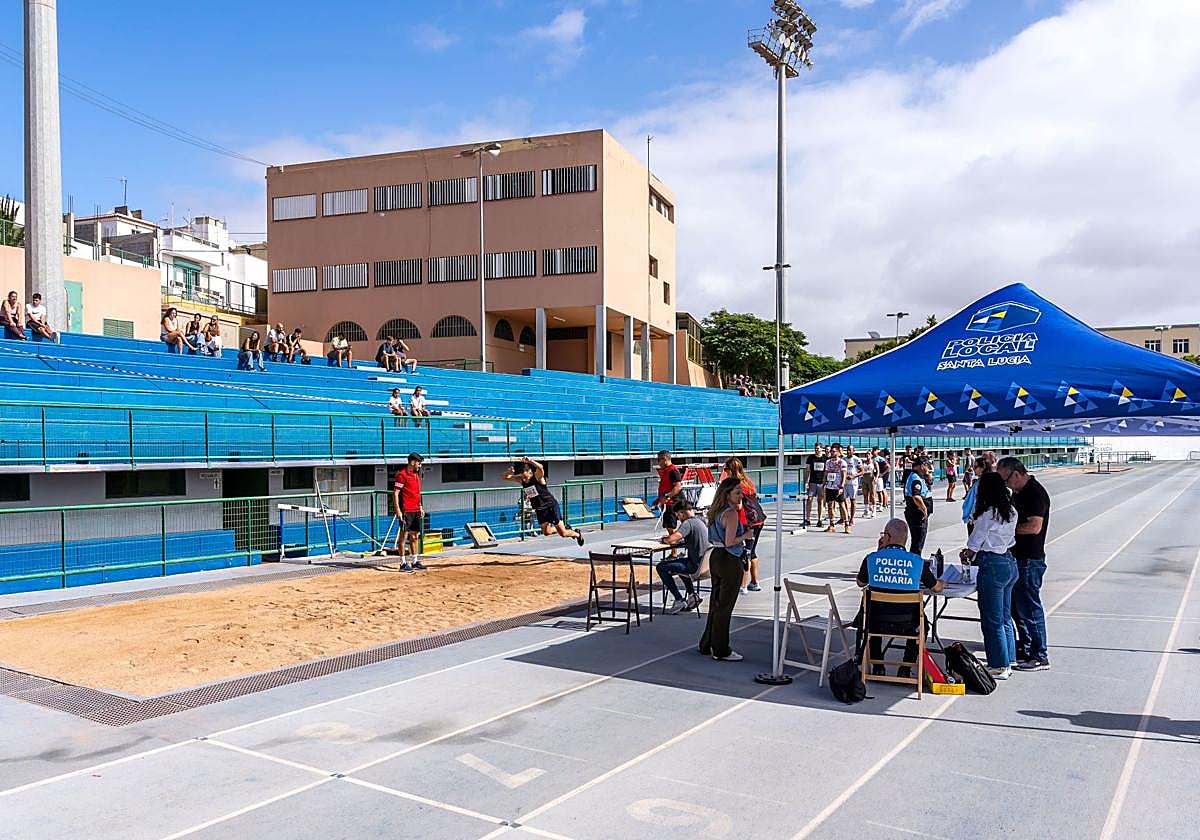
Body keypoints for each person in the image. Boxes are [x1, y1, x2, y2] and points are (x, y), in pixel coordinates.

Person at [856, 518, 944, 678]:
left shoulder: (871, 559)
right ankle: (905, 667)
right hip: (908, 624)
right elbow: (936, 587)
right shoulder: (917, 561)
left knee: (871, 618)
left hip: (877, 623)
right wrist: (943, 583)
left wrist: (879, 552)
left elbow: (860, 582)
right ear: (905, 539)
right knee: (922, 624)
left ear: (887, 536)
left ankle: (878, 666)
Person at [960, 471, 1018, 679]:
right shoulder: (1011, 511)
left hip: (991, 563)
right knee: (1004, 616)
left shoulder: (987, 514)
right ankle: (1009, 657)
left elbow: (974, 543)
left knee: (992, 619)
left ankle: (999, 665)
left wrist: (966, 554)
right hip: (1008, 560)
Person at [997, 456, 1052, 672]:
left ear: (1017, 474)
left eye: (1006, 480)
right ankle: (1027, 647)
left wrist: (1006, 530)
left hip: (1029, 559)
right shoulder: (1019, 493)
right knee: (1017, 607)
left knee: (1029, 607)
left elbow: (1034, 526)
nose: (1006, 485)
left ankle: (1039, 655)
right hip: (1018, 556)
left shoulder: (1034, 494)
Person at [699, 477, 747, 662]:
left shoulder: (715, 512)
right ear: (727, 494)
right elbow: (730, 541)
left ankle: (707, 643)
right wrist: (746, 535)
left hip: (716, 557)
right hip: (730, 559)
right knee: (725, 606)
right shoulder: (730, 514)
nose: (741, 496)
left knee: (716, 602)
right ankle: (721, 649)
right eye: (737, 492)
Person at [503, 456, 584, 545]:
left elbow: (540, 467)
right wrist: (509, 472)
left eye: (525, 477)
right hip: (540, 510)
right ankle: (565, 527)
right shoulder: (522, 480)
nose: (524, 479)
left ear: (530, 472)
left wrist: (530, 461)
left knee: (563, 533)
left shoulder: (537, 477)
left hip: (550, 506)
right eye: (522, 477)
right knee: (547, 532)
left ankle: (577, 534)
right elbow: (505, 477)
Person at [720, 457, 764, 593]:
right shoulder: (748, 481)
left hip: (747, 521)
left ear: (731, 470)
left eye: (726, 469)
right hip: (758, 519)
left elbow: (739, 505)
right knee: (752, 551)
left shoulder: (735, 485)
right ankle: (754, 582)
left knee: (745, 553)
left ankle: (742, 586)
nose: (724, 471)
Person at [659, 498, 709, 613]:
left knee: (661, 567)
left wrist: (664, 539)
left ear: (681, 513)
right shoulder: (701, 521)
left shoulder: (688, 523)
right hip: (706, 566)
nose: (678, 519)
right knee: (680, 562)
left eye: (678, 516)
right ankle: (692, 595)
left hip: (695, 567)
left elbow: (672, 539)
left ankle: (678, 599)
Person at [392, 452, 427, 572]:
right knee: (403, 537)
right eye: (419, 463)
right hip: (406, 510)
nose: (420, 466)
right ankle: (402, 563)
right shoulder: (402, 475)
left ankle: (415, 561)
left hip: (416, 510)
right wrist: (398, 510)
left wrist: (420, 507)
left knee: (415, 536)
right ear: (412, 462)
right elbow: (396, 493)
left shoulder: (416, 475)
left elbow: (417, 493)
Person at [904, 457, 934, 556]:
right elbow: (916, 496)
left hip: (917, 513)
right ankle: (914, 560)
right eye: (926, 465)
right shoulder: (915, 479)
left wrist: (929, 475)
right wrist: (924, 509)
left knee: (918, 541)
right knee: (918, 542)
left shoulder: (919, 476)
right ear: (921, 466)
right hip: (917, 514)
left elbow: (929, 483)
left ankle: (915, 558)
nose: (928, 467)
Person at [654, 450, 684, 543]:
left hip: (672, 502)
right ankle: (673, 546)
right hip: (667, 502)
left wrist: (667, 496)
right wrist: (658, 499)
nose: (658, 463)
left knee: (671, 526)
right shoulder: (665, 471)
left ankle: (674, 545)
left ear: (664, 459)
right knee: (668, 526)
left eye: (659, 460)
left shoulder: (673, 471)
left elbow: (678, 487)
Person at [823, 442, 851, 534]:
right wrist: (824, 484)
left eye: (834, 451)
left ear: (838, 452)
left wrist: (841, 486)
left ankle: (847, 525)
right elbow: (826, 473)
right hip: (829, 487)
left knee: (842, 505)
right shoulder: (828, 462)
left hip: (838, 487)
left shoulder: (842, 462)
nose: (832, 452)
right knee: (830, 506)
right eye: (831, 451)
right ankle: (832, 525)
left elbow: (844, 475)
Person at [961, 456, 989, 535]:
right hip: (975, 517)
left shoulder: (982, 483)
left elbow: (979, 501)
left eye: (976, 467)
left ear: (983, 468)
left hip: (976, 519)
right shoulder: (979, 481)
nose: (973, 468)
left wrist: (973, 515)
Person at [803, 443, 827, 528]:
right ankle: (808, 519)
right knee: (809, 499)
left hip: (821, 483)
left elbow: (826, 471)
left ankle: (819, 520)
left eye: (818, 448)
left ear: (821, 449)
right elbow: (807, 470)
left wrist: (825, 482)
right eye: (815, 448)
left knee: (820, 501)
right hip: (812, 482)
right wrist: (806, 482)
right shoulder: (811, 458)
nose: (816, 450)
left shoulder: (825, 458)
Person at [845, 445, 864, 526]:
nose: (848, 451)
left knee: (852, 500)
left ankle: (852, 518)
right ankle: (846, 516)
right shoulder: (843, 459)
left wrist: (853, 476)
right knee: (843, 500)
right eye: (847, 450)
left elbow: (862, 471)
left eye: (850, 450)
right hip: (845, 483)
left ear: (853, 451)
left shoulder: (856, 459)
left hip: (853, 483)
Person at [861, 447, 878, 517]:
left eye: (869, 454)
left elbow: (877, 471)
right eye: (866, 454)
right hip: (865, 478)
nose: (867, 455)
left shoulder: (874, 462)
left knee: (872, 495)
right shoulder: (863, 462)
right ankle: (866, 510)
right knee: (865, 495)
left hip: (871, 478)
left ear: (871, 455)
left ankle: (874, 510)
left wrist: (876, 478)